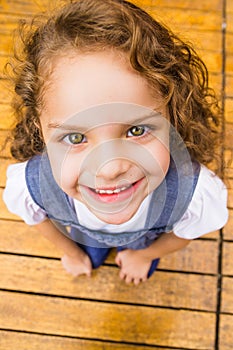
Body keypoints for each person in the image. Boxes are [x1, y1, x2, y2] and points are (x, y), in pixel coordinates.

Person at [3, 0, 228, 285]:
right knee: (91, 253)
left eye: (136, 131)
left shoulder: (193, 191)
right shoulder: (31, 183)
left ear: (173, 113)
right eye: (75, 137)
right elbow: (37, 218)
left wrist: (145, 256)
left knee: (137, 250)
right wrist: (70, 251)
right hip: (83, 236)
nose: (109, 169)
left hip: (147, 239)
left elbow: (183, 233)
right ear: (41, 131)